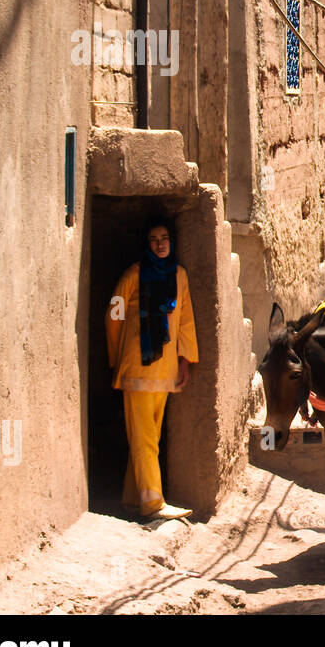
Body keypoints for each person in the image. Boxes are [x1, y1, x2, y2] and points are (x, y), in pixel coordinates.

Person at [106, 217, 198, 520]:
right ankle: (153, 503)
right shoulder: (133, 275)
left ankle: (134, 496)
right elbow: (114, 313)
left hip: (165, 370)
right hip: (137, 369)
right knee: (145, 439)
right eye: (154, 240)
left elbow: (183, 319)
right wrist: (118, 355)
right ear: (146, 245)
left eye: (164, 238)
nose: (160, 245)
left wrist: (184, 359)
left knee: (149, 438)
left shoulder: (179, 276)